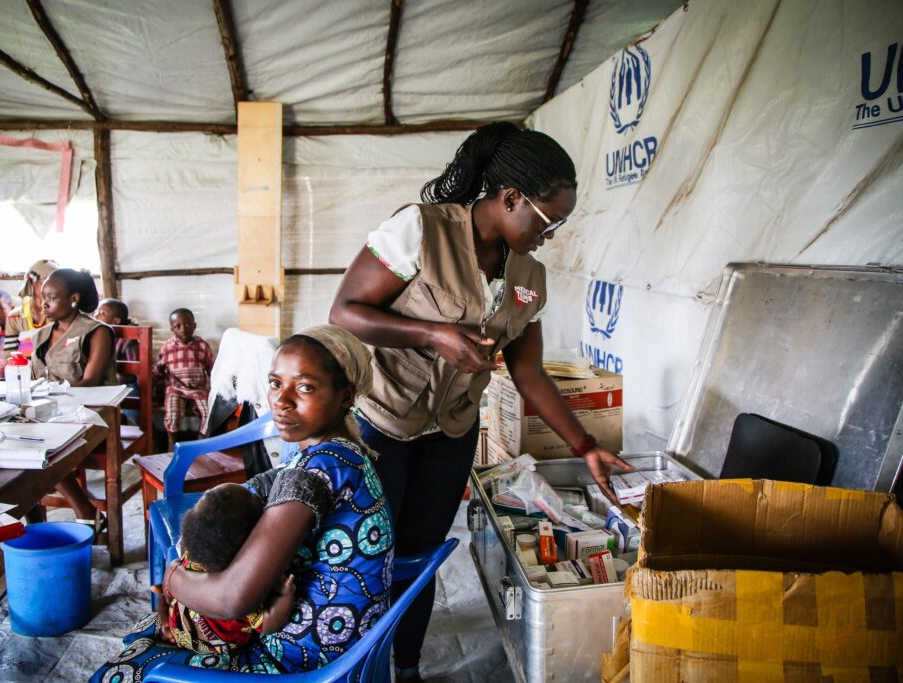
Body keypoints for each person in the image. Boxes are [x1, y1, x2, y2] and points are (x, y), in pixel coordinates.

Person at [328, 121, 634, 683]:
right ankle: (356, 668)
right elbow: (345, 311)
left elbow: (529, 373)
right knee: (370, 557)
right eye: (549, 220)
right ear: (510, 198)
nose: (552, 234)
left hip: (450, 433)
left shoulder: (529, 276)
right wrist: (432, 335)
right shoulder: (419, 229)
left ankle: (408, 666)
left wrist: (585, 445)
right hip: (381, 425)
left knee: (419, 558)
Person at [93, 324, 392, 676]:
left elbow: (231, 600)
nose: (281, 400)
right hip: (335, 643)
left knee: (128, 664)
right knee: (171, 617)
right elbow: (260, 488)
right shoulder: (341, 454)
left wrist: (173, 577)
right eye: (276, 383)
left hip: (301, 663)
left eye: (305, 387)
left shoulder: (318, 469)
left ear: (345, 396)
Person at [155, 483, 297, 654]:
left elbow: (171, 589)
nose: (256, 495)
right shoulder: (242, 586)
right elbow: (268, 625)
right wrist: (284, 596)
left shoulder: (190, 555)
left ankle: (165, 623)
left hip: (178, 625)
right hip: (215, 648)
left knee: (166, 594)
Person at [29, 267, 116, 532]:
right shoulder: (40, 336)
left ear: (74, 299)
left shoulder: (97, 332)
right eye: (42, 297)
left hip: (92, 416)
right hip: (50, 415)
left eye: (51, 298)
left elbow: (89, 382)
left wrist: (49, 398)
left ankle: (84, 510)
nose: (44, 304)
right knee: (19, 446)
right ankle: (33, 527)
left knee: (39, 449)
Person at [153, 308, 215, 449]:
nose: (183, 329)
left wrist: (213, 390)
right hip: (176, 389)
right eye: (177, 326)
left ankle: (200, 442)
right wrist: (158, 392)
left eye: (187, 325)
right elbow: (158, 371)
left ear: (194, 325)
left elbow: (212, 369)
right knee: (173, 414)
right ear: (172, 329)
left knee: (209, 413)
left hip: (198, 389)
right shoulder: (167, 347)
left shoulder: (202, 346)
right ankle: (173, 442)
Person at [95, 297, 140, 425]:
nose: (96, 315)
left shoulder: (128, 341)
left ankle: (148, 437)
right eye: (97, 312)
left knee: (134, 418)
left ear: (116, 321)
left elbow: (138, 374)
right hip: (107, 385)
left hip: (127, 387)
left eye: (102, 313)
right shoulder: (98, 336)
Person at [3, 259, 57, 359]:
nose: (52, 289)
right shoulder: (14, 317)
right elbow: (9, 356)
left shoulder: (61, 315)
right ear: (32, 283)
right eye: (45, 283)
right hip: (24, 370)